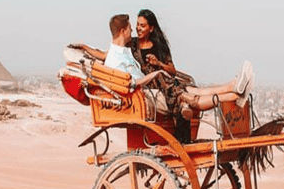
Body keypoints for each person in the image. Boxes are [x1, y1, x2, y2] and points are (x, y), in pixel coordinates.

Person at [72, 13, 253, 118]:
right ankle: (231, 94)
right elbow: (130, 85)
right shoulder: (116, 60)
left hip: (156, 89)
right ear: (123, 31)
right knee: (187, 95)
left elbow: (105, 54)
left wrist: (86, 48)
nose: (133, 30)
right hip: (146, 94)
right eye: (130, 28)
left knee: (190, 89)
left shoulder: (123, 51)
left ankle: (233, 90)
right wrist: (155, 73)